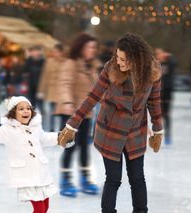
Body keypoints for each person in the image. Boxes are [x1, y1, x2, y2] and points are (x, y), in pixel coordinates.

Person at [59, 33, 164, 213]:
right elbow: (92, 98)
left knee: (137, 178)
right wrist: (71, 125)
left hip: (135, 132)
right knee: (114, 178)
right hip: (111, 131)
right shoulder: (111, 69)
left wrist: (158, 129)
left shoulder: (152, 73)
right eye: (117, 57)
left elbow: (154, 102)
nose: (119, 62)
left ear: (136, 59)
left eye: (124, 59)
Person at [0, 96, 71, 213]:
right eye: (21, 109)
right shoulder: (8, 131)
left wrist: (59, 137)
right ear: (13, 113)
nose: (26, 111)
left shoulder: (35, 128)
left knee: (45, 207)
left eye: (28, 108)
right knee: (39, 209)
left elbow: (44, 138)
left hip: (41, 172)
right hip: (26, 174)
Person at [55, 33, 102, 197]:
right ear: (81, 47)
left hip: (86, 114)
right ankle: (65, 180)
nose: (93, 50)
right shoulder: (70, 63)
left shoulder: (91, 66)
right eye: (90, 47)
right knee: (70, 148)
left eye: (95, 47)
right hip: (70, 114)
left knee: (84, 148)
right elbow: (64, 84)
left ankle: (85, 179)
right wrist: (67, 102)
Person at [37, 43, 67, 132]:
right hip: (51, 91)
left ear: (61, 52)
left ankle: (62, 130)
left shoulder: (66, 62)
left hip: (62, 92)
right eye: (53, 51)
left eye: (56, 52)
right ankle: (51, 129)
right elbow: (44, 76)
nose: (54, 53)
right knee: (51, 112)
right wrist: (41, 90)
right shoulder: (49, 61)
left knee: (62, 113)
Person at [155, 48, 176, 145]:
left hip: (167, 92)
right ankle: (157, 136)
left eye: (161, 53)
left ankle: (168, 136)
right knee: (157, 116)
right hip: (157, 92)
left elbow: (174, 63)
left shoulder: (170, 63)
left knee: (166, 115)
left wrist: (170, 56)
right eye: (157, 54)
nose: (160, 55)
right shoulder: (154, 64)